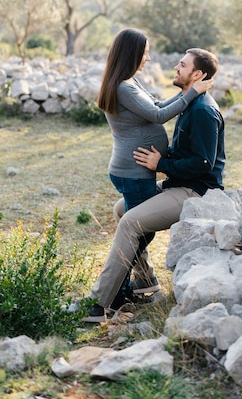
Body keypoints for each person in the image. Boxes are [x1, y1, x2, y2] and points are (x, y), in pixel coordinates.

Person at [80, 47, 225, 322]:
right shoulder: (190, 102)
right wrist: (164, 160)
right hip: (176, 184)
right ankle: (145, 281)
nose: (175, 68)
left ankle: (99, 304)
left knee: (130, 223)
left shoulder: (204, 110)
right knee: (122, 209)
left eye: (182, 66)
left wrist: (161, 165)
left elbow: (203, 163)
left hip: (195, 192)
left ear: (197, 75)